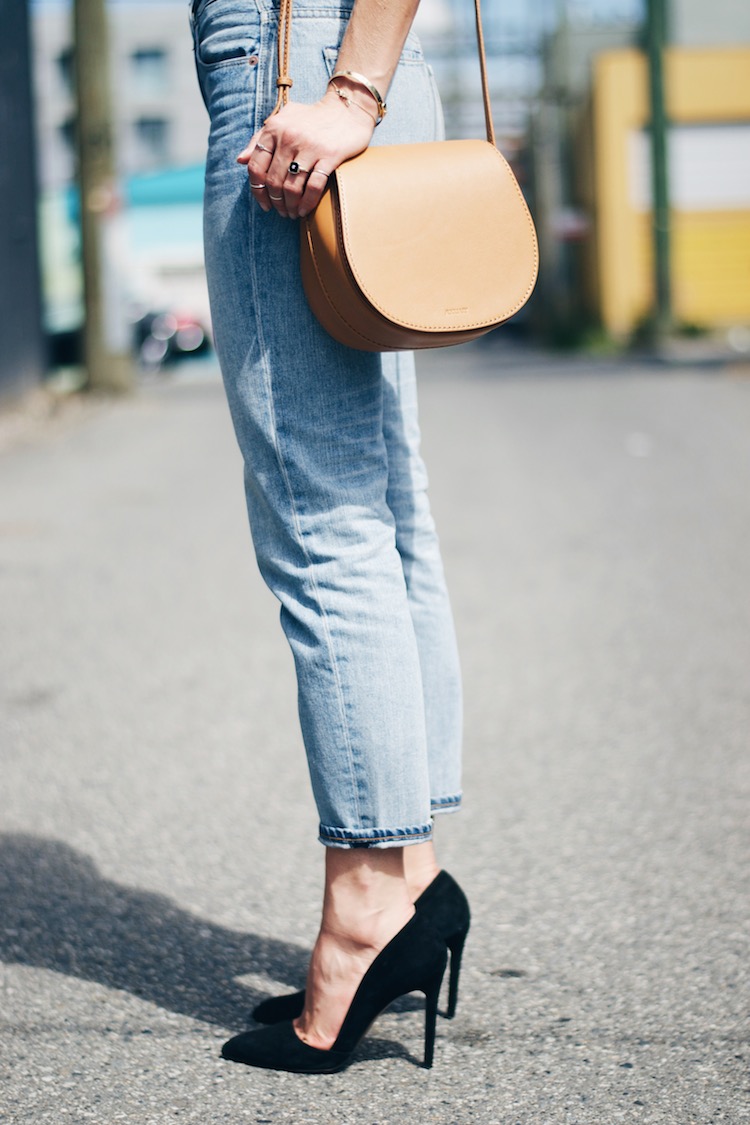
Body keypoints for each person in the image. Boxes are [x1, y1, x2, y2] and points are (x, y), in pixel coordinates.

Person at [190, 0, 469, 1073]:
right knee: (385, 510)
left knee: (325, 521)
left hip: (296, 80)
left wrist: (346, 93)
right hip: (351, 76)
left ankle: (363, 913)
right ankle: (406, 876)